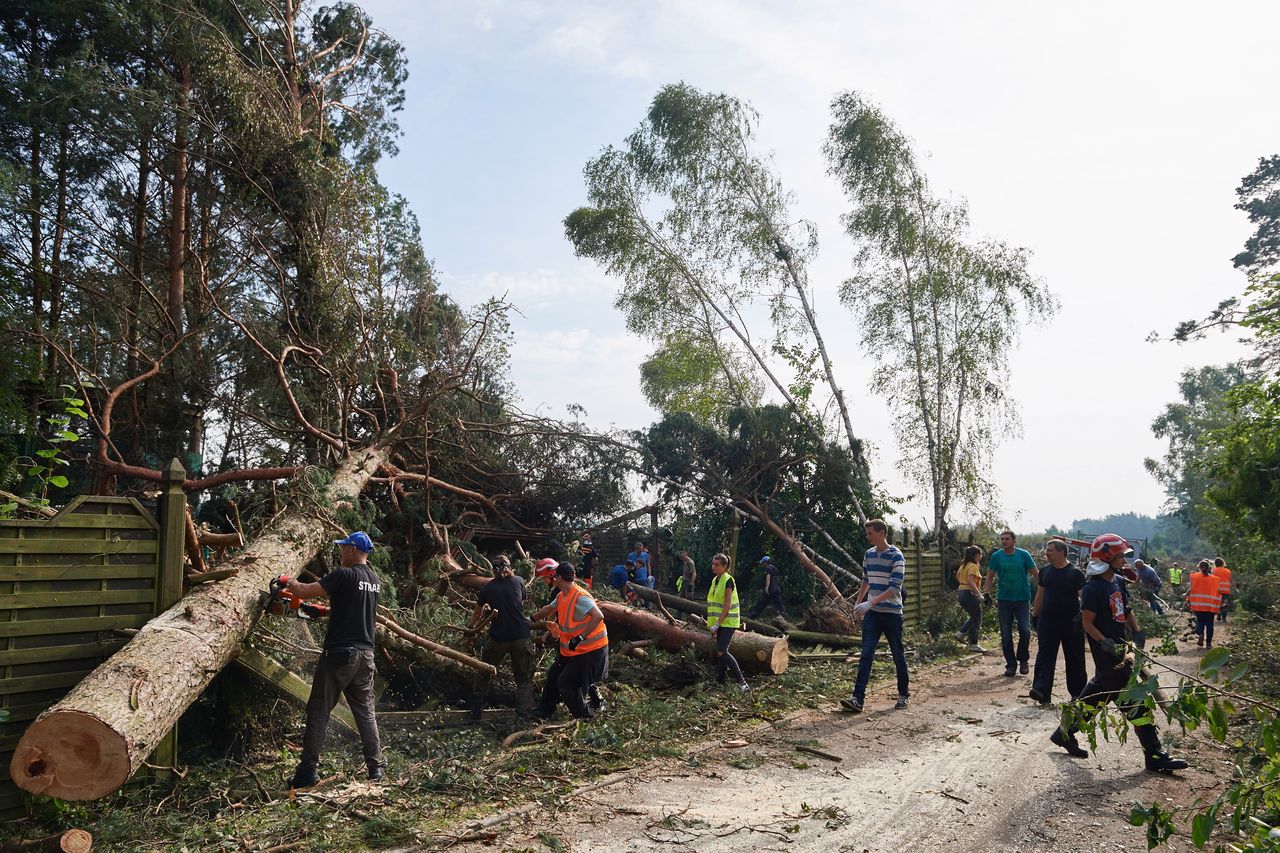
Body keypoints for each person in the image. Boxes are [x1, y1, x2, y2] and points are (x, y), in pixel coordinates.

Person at [1048, 533, 1188, 772]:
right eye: (1121, 555)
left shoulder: (1118, 581)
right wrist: (1106, 643)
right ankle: (1154, 755)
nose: (1125, 560)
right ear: (1106, 556)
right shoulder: (1093, 588)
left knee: (1097, 695)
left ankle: (1064, 733)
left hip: (1122, 650)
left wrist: (1137, 631)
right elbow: (1087, 623)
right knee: (1135, 702)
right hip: (1107, 654)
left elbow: (1127, 608)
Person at [286, 531, 384, 790]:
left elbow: (304, 591)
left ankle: (307, 772)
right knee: (365, 712)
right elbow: (357, 609)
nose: (341, 552)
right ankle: (376, 768)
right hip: (366, 655)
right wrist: (326, 611)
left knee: (319, 711)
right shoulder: (374, 580)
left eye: (344, 548)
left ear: (353, 549)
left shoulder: (343, 574)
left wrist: (286, 581)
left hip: (341, 654)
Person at [841, 519, 909, 713]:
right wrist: (858, 602)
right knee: (866, 655)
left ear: (881, 533)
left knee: (898, 655)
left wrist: (870, 602)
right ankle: (857, 699)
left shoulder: (896, 556)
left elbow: (894, 587)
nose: (867, 536)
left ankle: (903, 694)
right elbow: (865, 580)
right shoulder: (869, 555)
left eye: (870, 533)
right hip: (873, 615)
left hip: (892, 614)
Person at [532, 563, 609, 720]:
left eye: (555, 578)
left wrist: (581, 637)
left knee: (566, 682)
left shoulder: (580, 597)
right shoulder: (561, 596)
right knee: (554, 676)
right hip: (572, 650)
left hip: (590, 650)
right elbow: (548, 609)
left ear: (559, 577)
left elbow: (598, 616)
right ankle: (544, 711)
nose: (553, 581)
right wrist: (530, 620)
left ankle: (585, 717)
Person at [470, 555, 533, 719]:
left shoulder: (487, 588)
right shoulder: (519, 581)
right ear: (509, 568)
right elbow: (520, 602)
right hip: (521, 635)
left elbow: (477, 612)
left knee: (484, 671)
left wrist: (470, 628)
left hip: (498, 637)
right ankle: (523, 714)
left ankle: (476, 710)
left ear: (493, 570)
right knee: (524, 677)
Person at [1029, 539, 1086, 704]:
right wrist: (1035, 615)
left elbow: (1084, 598)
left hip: (1071, 623)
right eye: (1047, 549)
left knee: (1074, 657)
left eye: (1051, 550)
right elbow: (1040, 594)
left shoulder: (1075, 573)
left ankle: (1078, 694)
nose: (1047, 552)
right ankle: (1040, 690)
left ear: (1062, 552)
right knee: (1045, 656)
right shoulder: (1045, 571)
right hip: (1048, 621)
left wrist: (1085, 618)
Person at [984, 530, 1038, 677]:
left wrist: (1046, 589)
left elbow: (1036, 573)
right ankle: (1011, 665)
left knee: (1025, 631)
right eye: (1002, 539)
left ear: (1014, 541)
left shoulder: (1024, 555)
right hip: (1004, 600)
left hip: (1022, 599)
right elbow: (989, 576)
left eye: (1007, 539)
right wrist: (986, 593)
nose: (1004, 541)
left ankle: (1023, 659)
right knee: (1006, 635)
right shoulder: (997, 556)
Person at [706, 553, 749, 692]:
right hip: (719, 622)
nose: (714, 567)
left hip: (728, 621)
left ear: (725, 566)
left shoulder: (728, 580)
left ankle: (742, 682)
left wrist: (717, 623)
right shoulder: (715, 580)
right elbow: (714, 604)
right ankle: (720, 679)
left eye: (717, 565)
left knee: (721, 652)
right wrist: (713, 625)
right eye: (713, 564)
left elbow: (727, 604)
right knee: (722, 650)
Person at [954, 545, 986, 652]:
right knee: (977, 618)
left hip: (961, 592)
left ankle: (961, 633)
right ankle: (973, 643)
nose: (981, 556)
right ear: (977, 555)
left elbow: (959, 579)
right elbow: (971, 582)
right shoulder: (973, 566)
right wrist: (979, 595)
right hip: (969, 593)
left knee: (974, 616)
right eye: (980, 555)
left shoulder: (963, 566)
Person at [1186, 560, 1222, 648]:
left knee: (1200, 621)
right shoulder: (1215, 579)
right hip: (1211, 606)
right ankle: (1209, 644)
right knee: (1210, 624)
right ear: (1209, 568)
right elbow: (1219, 591)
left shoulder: (1193, 577)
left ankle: (1201, 635)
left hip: (1198, 605)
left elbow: (1191, 589)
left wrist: (1187, 598)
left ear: (1199, 567)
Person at [747, 555, 788, 620]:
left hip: (771, 590)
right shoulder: (775, 568)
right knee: (779, 604)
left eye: (763, 562)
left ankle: (751, 615)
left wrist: (766, 588)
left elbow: (768, 579)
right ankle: (784, 615)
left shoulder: (768, 569)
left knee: (762, 603)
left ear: (766, 562)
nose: (762, 564)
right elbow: (778, 580)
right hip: (777, 590)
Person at [1212, 558, 1233, 623]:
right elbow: (1230, 580)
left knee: (1217, 603)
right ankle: (1224, 618)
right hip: (1226, 590)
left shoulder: (1214, 570)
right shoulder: (1228, 571)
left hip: (1217, 590)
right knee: (1225, 604)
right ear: (1223, 563)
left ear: (1215, 564)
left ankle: (1219, 613)